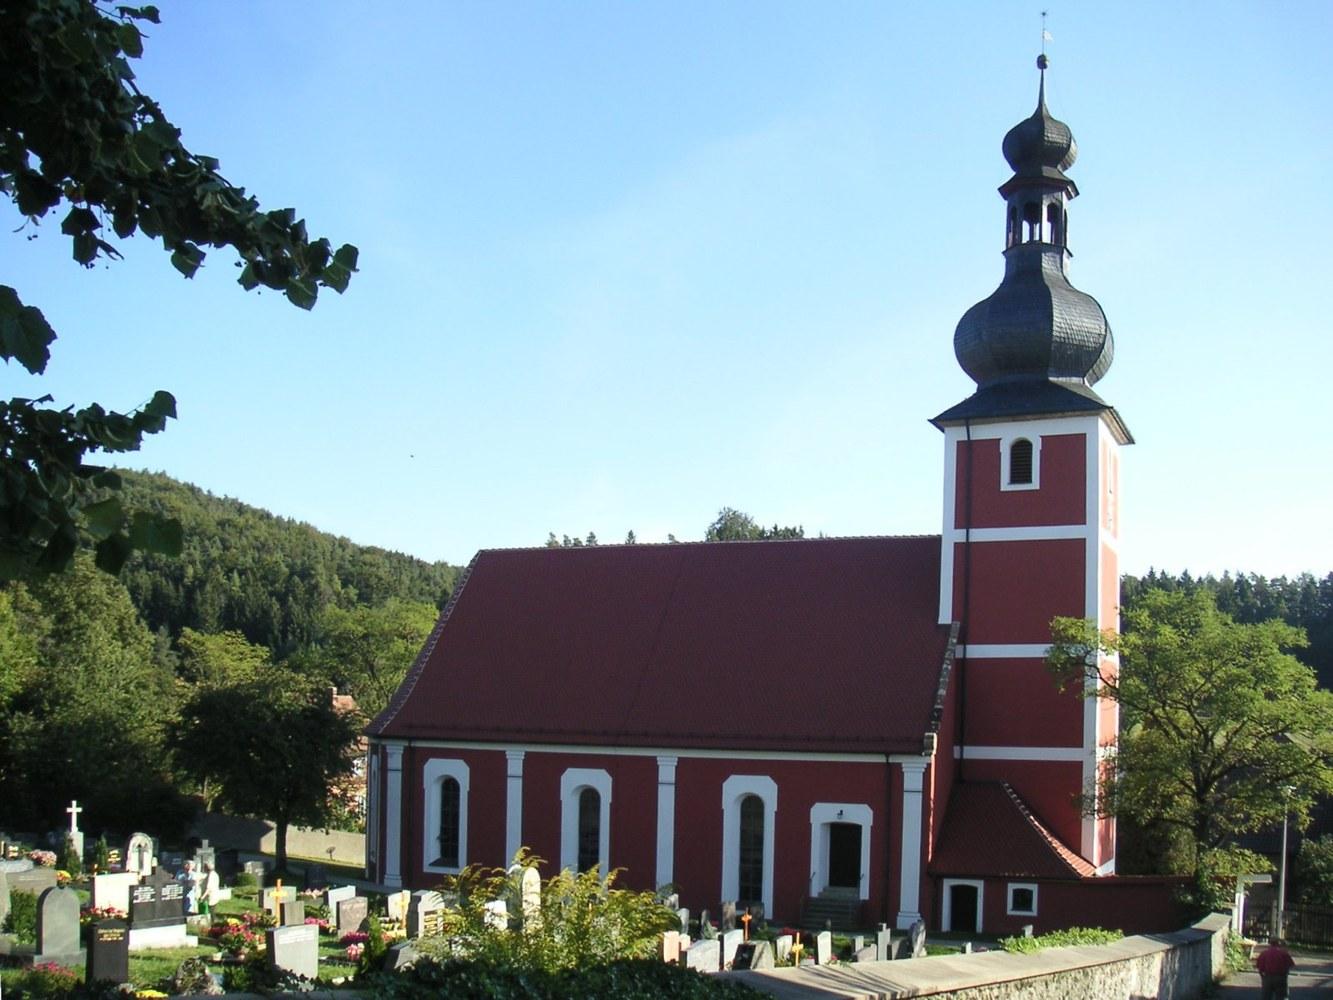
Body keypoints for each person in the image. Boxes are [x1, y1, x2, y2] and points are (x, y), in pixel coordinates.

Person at [1256, 936, 1295, 1000]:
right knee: (1282, 997)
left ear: (1270, 943)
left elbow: (1260, 967)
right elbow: (1290, 965)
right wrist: (1285, 974)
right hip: (1280, 977)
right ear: (1279, 943)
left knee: (1266, 997)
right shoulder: (1283, 953)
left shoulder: (1264, 953)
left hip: (1267, 977)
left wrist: (1263, 977)